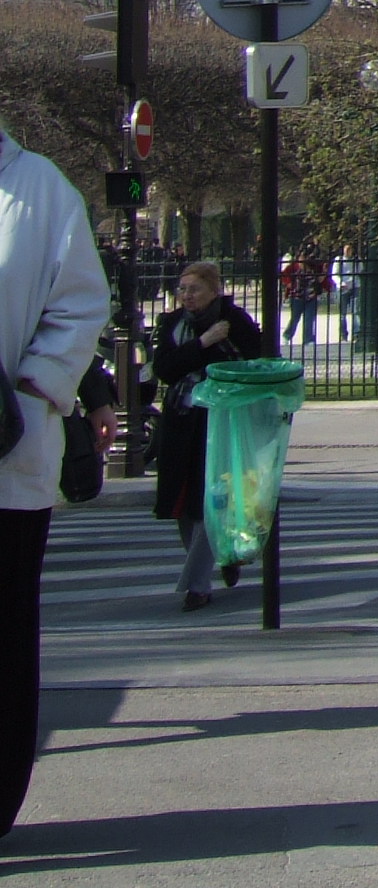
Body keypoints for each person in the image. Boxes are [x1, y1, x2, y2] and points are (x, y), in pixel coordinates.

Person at [0, 127, 110, 832]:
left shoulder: (40, 190)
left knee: (6, 637)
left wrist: (32, 388)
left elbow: (79, 304)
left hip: (7, 462)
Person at [152, 262, 262, 611]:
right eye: (182, 289)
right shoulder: (173, 324)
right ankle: (221, 556)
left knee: (210, 499)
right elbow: (165, 369)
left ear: (214, 291)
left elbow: (252, 362)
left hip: (219, 421)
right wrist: (202, 343)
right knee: (182, 504)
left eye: (194, 289)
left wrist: (218, 343)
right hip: (180, 419)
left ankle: (198, 586)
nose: (187, 296)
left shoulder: (234, 322)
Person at [277, 252, 320, 346]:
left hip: (311, 297)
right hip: (297, 297)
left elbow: (320, 279)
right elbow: (284, 275)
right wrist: (289, 283)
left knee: (309, 318)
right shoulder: (293, 267)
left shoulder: (313, 267)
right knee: (295, 318)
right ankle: (287, 335)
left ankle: (308, 339)